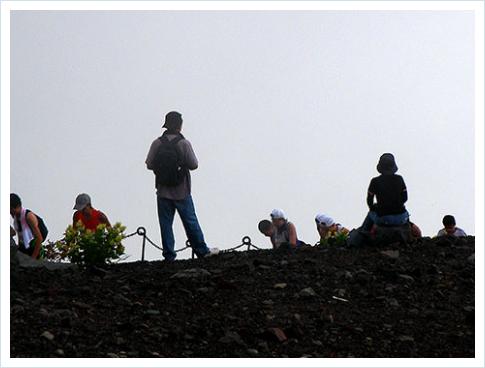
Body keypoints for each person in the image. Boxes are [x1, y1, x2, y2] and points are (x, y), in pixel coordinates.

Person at [145, 111, 218, 261]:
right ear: (180, 126)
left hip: (163, 190)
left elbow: (149, 164)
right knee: (190, 221)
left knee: (165, 224)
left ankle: (169, 255)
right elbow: (194, 165)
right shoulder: (184, 143)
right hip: (182, 191)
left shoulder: (157, 143)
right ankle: (202, 251)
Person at [362, 153, 410, 231]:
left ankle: (361, 237)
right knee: (406, 214)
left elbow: (369, 201)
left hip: (384, 218)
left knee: (370, 214)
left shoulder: (375, 181)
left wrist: (375, 207)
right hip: (401, 217)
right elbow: (405, 198)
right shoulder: (399, 179)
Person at [10, 193, 48, 259]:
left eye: (11, 210)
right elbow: (20, 238)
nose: (10, 213)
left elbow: (39, 238)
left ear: (17, 206)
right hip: (26, 247)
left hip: (35, 247)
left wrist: (32, 259)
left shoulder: (29, 217)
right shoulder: (16, 219)